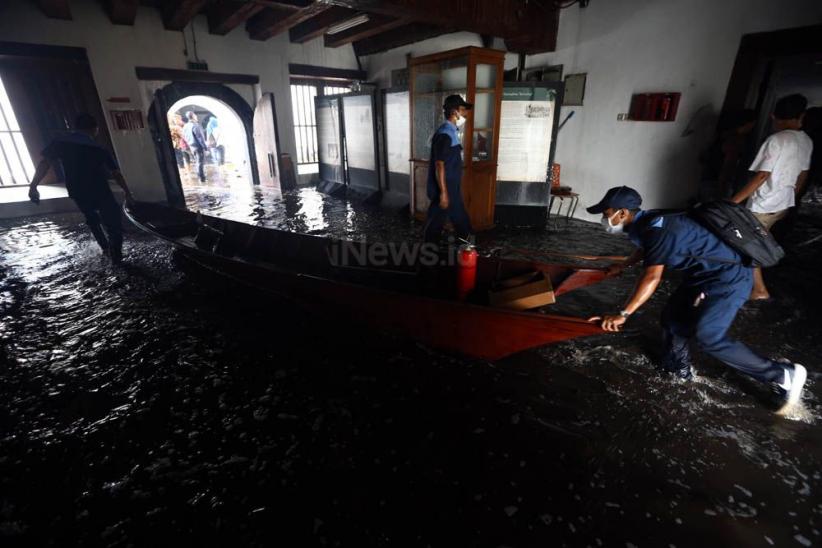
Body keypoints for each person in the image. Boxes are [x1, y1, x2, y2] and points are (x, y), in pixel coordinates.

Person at [587, 186, 806, 413]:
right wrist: (623, 265)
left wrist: (623, 314)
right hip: (702, 276)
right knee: (673, 318)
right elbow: (648, 249)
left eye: (606, 213)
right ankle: (677, 370)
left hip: (729, 278)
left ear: (622, 213)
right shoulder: (648, 221)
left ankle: (782, 375)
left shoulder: (658, 229)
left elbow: (652, 277)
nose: (604, 218)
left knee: (709, 336)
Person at [731, 94, 813, 300]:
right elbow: (803, 175)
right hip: (782, 203)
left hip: (763, 203)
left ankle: (759, 289)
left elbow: (762, 175)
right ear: (801, 116)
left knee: (748, 245)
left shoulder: (776, 140)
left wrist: (732, 203)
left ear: (773, 116)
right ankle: (747, 283)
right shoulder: (806, 140)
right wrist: (790, 199)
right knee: (756, 241)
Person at [28, 113, 134, 264]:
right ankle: (116, 256)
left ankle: (105, 249)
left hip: (76, 190)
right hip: (100, 189)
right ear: (95, 129)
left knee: (92, 218)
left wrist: (33, 186)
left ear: (75, 128)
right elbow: (116, 173)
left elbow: (44, 164)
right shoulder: (99, 148)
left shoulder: (60, 142)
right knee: (113, 223)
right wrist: (128, 193)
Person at [423, 94, 474, 244]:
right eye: (463, 110)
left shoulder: (451, 131)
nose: (465, 113)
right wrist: (444, 193)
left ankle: (467, 246)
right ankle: (469, 247)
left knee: (444, 220)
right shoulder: (445, 134)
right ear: (454, 112)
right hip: (446, 188)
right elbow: (439, 164)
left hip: (450, 187)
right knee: (452, 220)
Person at [699, 109, 757, 201]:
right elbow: (728, 166)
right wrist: (722, 187)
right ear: (748, 124)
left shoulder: (724, 134)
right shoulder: (736, 140)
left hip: (709, 176)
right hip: (718, 180)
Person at [183, 110, 207, 182]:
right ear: (193, 116)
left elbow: (184, 136)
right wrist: (205, 147)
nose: (196, 117)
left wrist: (190, 144)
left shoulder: (185, 126)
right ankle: (202, 178)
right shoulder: (195, 125)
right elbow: (200, 137)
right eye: (195, 115)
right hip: (198, 146)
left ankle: (199, 176)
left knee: (197, 162)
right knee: (200, 163)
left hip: (192, 147)